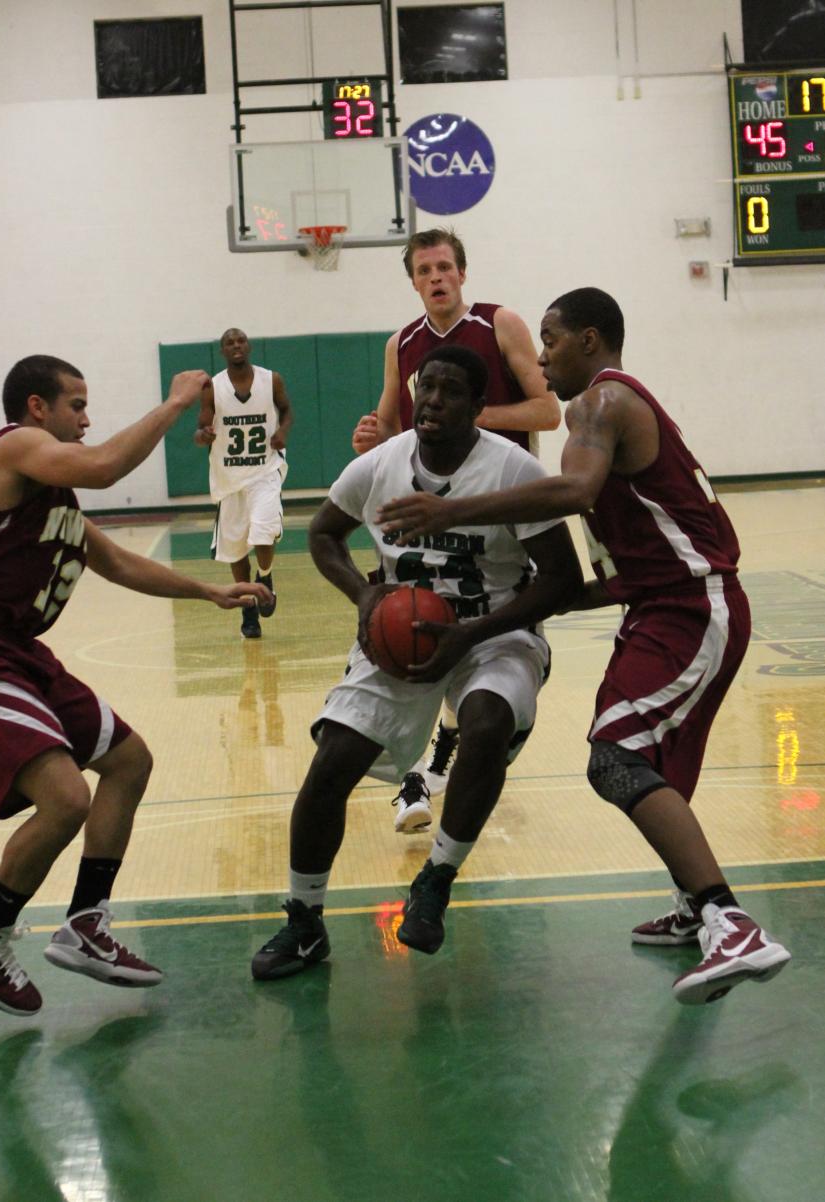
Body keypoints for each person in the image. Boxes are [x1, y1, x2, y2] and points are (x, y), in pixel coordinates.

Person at [378, 287, 792, 1006]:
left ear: (591, 341)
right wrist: (518, 610)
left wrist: (448, 510)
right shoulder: (609, 407)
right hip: (658, 603)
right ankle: (696, 905)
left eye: (551, 339)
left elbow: (570, 491)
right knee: (652, 764)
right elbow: (624, 560)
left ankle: (731, 923)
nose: (539, 357)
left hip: (691, 609)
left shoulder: (597, 405)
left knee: (616, 755)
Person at [0, 355, 272, 1017]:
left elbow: (116, 561)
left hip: (17, 652)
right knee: (63, 799)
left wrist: (208, 591)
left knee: (129, 761)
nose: (86, 420)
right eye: (76, 406)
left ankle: (86, 923)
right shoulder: (15, 448)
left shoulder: (51, 495)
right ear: (37, 408)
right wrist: (174, 406)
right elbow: (107, 466)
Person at [250, 344, 582, 981]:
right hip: (400, 631)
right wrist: (364, 594)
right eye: (425, 387)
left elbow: (563, 581)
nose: (432, 400)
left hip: (494, 630)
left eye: (450, 391)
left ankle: (437, 878)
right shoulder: (380, 465)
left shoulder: (512, 470)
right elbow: (321, 534)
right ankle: (304, 920)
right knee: (332, 763)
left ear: (478, 408)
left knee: (484, 724)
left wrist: (472, 633)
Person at [352, 227, 562, 829]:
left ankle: (451, 754)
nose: (437, 277)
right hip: (433, 511)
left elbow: (547, 409)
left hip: (505, 511)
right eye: (425, 270)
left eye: (446, 266)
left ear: (462, 273)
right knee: (421, 635)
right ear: (414, 281)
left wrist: (469, 419)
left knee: (486, 641)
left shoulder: (501, 324)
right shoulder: (402, 344)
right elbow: (392, 427)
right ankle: (418, 776)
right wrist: (372, 437)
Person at [194, 327, 292, 640]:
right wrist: (203, 436)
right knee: (236, 550)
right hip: (229, 478)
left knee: (263, 530)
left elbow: (286, 409)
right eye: (229, 343)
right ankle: (248, 609)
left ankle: (265, 579)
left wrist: (282, 432)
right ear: (222, 351)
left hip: (265, 471)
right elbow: (201, 428)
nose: (236, 346)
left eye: (240, 341)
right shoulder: (212, 386)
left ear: (248, 346)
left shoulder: (271, 379)